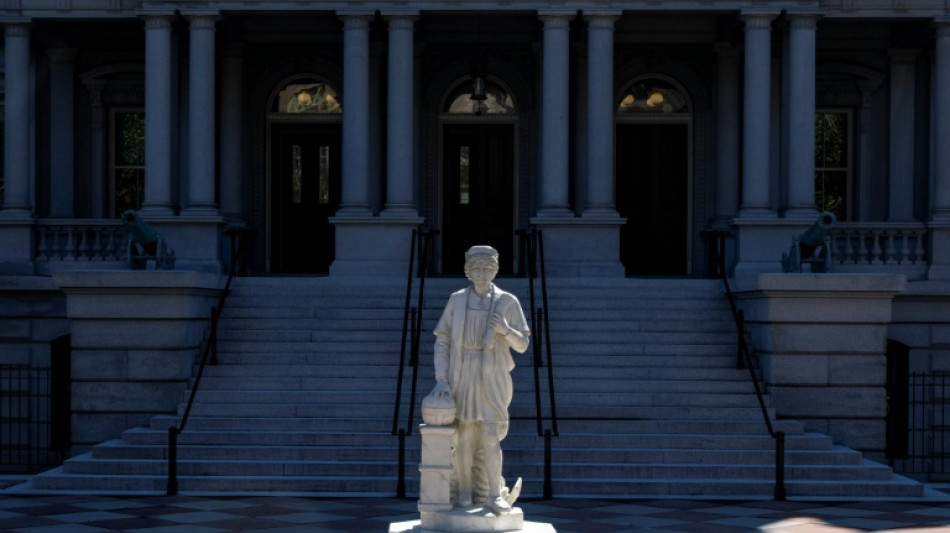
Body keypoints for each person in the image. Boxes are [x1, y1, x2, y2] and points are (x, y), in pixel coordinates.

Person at [429, 245, 530, 514]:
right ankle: (463, 492)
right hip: (461, 373)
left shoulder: (507, 301)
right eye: (477, 268)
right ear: (468, 272)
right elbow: (443, 340)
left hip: (492, 375)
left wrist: (504, 329)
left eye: (488, 268)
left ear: (495, 270)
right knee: (464, 436)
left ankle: (494, 495)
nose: (482, 273)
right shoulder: (457, 300)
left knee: (489, 435)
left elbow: (522, 344)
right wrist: (441, 378)